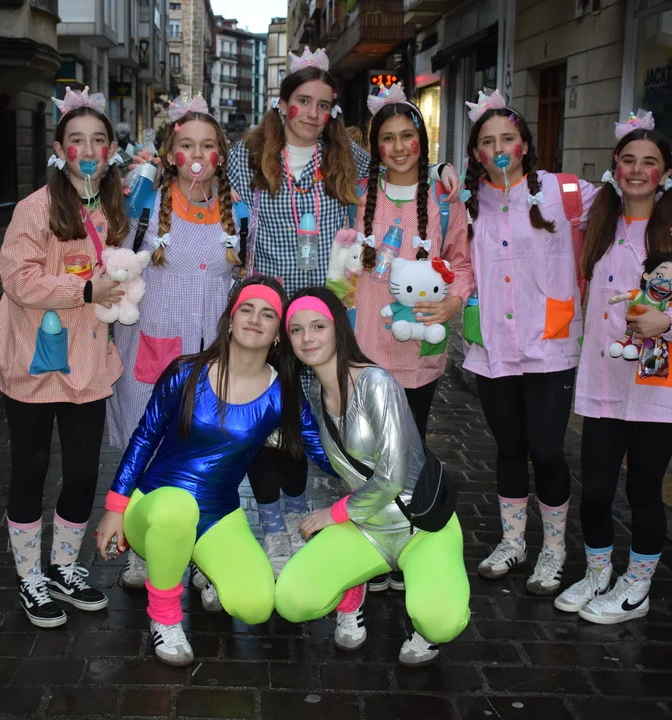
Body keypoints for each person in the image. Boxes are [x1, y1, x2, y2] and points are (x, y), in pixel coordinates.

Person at [224, 48, 462, 571]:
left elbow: (400, 165)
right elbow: (209, 188)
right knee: (269, 419)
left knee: (313, 421)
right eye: (303, 101)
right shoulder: (247, 155)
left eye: (324, 104)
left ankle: (311, 512)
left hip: (328, 315)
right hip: (271, 311)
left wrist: (441, 167)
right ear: (283, 104)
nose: (313, 114)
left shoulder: (347, 157)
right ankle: (274, 526)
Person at [460, 90, 672, 597]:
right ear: (476, 152)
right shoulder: (464, 201)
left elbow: (633, 198)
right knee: (508, 448)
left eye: (508, 137)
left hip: (550, 344)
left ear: (526, 144)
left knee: (548, 450)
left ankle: (554, 550)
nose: (499, 148)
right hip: (493, 346)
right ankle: (512, 542)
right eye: (487, 141)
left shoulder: (568, 193)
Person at [93, 278, 335, 667]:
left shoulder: (282, 394)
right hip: (155, 508)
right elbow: (144, 438)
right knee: (177, 511)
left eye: (268, 315)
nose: (255, 319)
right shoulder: (187, 372)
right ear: (230, 320)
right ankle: (165, 617)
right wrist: (115, 506)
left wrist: (382, 475)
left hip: (217, 514)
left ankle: (198, 558)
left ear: (278, 335)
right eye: (246, 309)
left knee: (255, 605)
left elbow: (324, 455)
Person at [555, 114, 672, 624]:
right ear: (614, 165)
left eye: (649, 162)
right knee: (596, 489)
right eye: (628, 159)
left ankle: (638, 585)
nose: (636, 169)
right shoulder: (596, 221)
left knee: (643, 489)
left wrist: (668, 321)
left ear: (665, 172)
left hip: (658, 381)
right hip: (606, 377)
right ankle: (598, 572)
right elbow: (537, 188)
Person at [0, 86, 128, 629]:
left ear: (111, 148)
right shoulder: (35, 207)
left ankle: (64, 567)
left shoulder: (114, 205)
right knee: (31, 467)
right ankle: (30, 576)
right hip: (33, 359)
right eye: (76, 140)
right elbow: (17, 278)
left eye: (97, 139)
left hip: (87, 360)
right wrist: (85, 291)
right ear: (59, 149)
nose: (87, 150)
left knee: (84, 471)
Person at [274, 287, 470, 667]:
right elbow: (325, 454)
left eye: (318, 326)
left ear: (338, 328)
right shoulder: (314, 389)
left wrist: (333, 514)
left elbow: (392, 478)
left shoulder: (374, 383)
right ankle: (353, 595)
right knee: (292, 601)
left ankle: (429, 616)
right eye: (296, 330)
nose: (307, 337)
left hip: (420, 525)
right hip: (366, 528)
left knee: (440, 621)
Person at [106, 94, 247, 587]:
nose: (197, 155)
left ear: (220, 156)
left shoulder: (238, 213)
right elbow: (113, 260)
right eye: (187, 145)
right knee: (146, 450)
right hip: (153, 350)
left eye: (208, 145)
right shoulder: (145, 203)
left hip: (211, 357)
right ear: (170, 154)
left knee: (205, 454)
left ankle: (202, 550)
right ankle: (140, 545)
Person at [349, 82, 474, 594]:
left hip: (420, 347)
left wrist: (454, 301)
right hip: (365, 344)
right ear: (375, 146)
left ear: (422, 139)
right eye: (388, 138)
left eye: (408, 135)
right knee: (368, 449)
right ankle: (372, 543)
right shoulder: (358, 193)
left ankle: (407, 542)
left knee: (412, 448)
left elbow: (462, 262)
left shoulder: (445, 199)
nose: (399, 147)